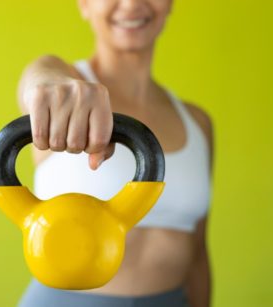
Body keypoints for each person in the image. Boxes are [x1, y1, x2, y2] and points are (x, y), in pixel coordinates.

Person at [16, 0, 214, 306]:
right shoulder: (66, 96)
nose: (132, 4)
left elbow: (198, 253)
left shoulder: (198, 122)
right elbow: (39, 77)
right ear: (84, 5)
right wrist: (46, 82)